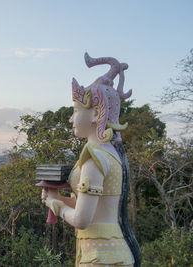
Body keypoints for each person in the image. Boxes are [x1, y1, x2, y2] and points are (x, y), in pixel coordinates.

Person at [41, 53, 140, 266]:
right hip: (107, 252)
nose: (71, 118)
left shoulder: (94, 159)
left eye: (76, 111)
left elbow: (82, 220)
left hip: (101, 256)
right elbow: (92, 208)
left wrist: (54, 204)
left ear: (96, 113)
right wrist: (60, 198)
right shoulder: (110, 154)